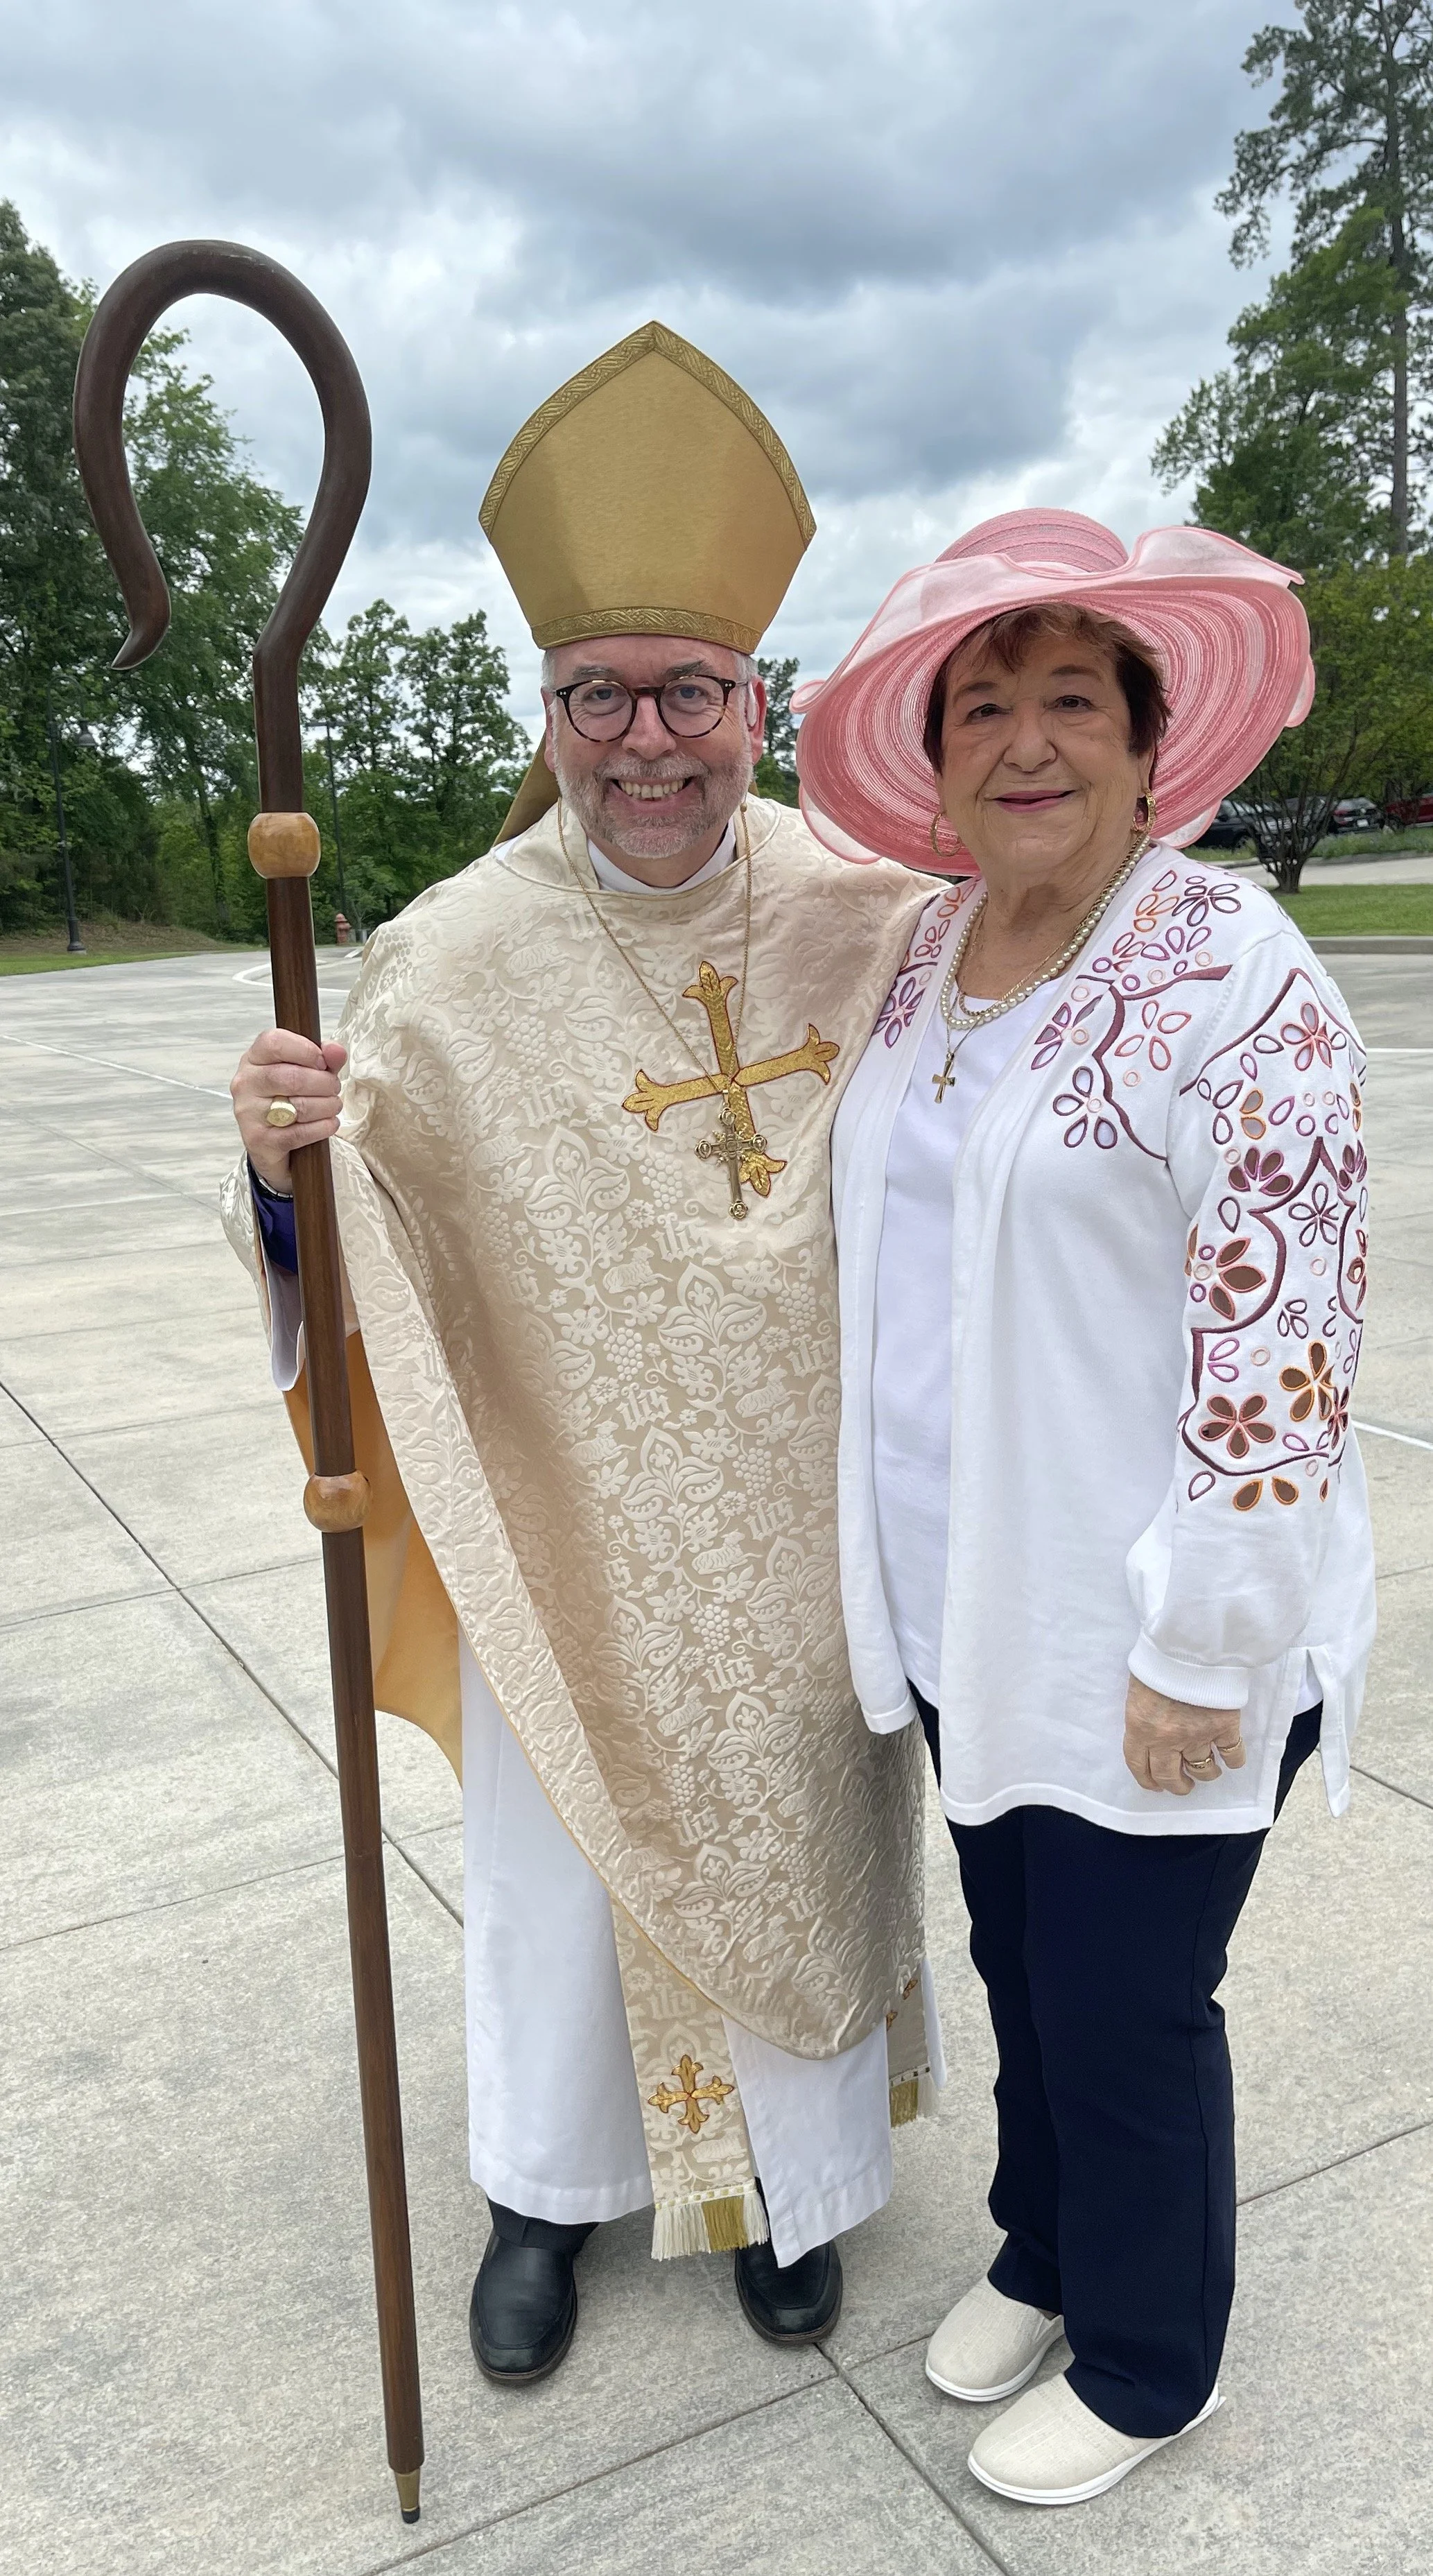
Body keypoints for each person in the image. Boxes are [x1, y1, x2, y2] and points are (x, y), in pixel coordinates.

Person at [223, 322, 941, 2388]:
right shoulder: (447, 952)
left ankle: (790, 2206)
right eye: (599, 693)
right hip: (567, 1527)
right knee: (555, 1886)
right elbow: (367, 1241)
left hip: (801, 1531)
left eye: (690, 692)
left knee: (808, 1827)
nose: (649, 737)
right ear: (549, 709)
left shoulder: (863, 909)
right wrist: (288, 1165)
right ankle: (545, 2191)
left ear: (756, 701)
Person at [796, 510, 1375, 2505]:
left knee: (1130, 1998)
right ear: (936, 757)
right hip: (976, 1595)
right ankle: (1046, 2255)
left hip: (1153, 1615)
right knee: (1020, 1960)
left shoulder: (1235, 973)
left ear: (1149, 745)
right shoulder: (928, 959)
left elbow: (1282, 1333)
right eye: (985, 706)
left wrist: (1206, 1639)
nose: (1025, 743)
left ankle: (1150, 2357)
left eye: (1070, 703)